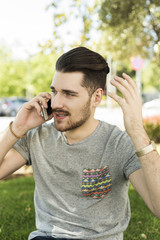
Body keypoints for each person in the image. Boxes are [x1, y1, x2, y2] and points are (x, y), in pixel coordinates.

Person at [0, 47, 160, 240]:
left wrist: (137, 131)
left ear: (96, 98)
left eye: (69, 94)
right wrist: (16, 129)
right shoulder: (37, 136)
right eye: (55, 91)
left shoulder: (119, 144)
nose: (57, 102)